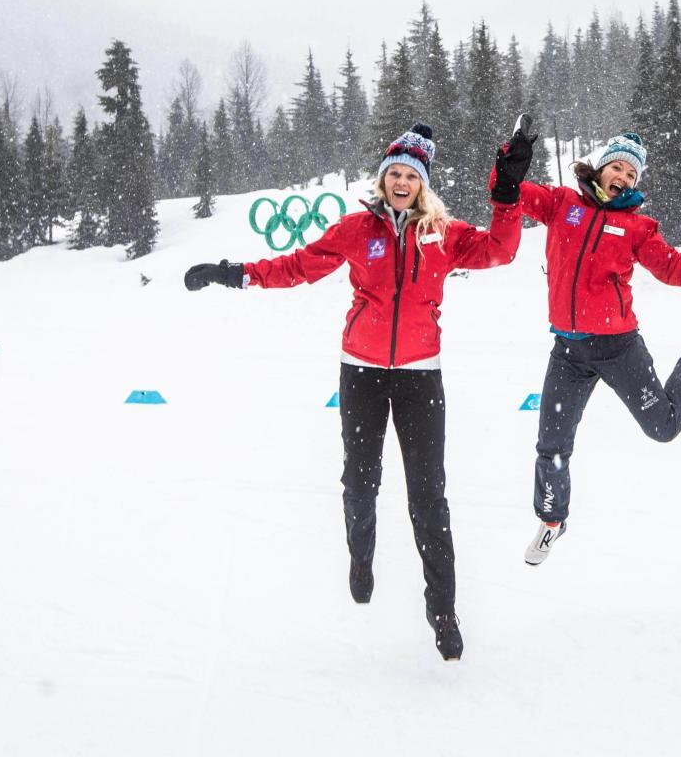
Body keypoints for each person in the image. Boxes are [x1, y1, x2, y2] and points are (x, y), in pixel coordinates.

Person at [184, 120, 535, 661]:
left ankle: (442, 610)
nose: (400, 182)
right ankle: (361, 553)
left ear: (422, 185)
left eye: (409, 176)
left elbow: (501, 252)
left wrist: (507, 193)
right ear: (382, 180)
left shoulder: (441, 233)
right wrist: (232, 273)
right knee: (360, 485)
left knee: (429, 499)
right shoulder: (355, 230)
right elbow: (296, 267)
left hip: (421, 375)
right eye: (393, 173)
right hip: (362, 373)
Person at [512, 129, 681, 565]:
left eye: (632, 173)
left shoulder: (636, 226)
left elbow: (675, 269)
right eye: (618, 166)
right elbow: (510, 192)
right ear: (601, 167)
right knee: (551, 444)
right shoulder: (563, 203)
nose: (623, 175)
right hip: (568, 350)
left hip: (618, 348)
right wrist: (510, 162)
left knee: (664, 428)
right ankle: (551, 522)